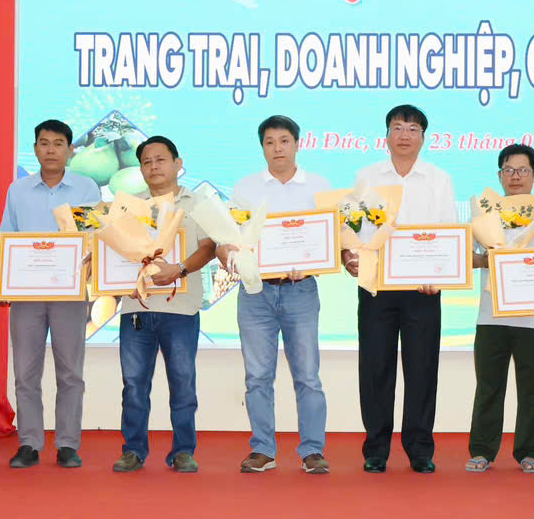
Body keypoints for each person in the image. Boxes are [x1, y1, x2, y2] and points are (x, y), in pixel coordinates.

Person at [342, 104, 457, 474]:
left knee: (422, 369)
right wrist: (348, 257)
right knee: (375, 368)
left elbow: (449, 232)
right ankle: (376, 449)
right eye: (397, 127)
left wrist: (439, 276)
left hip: (423, 290)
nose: (404, 135)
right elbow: (351, 227)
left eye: (412, 129)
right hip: (375, 286)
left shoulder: (439, 179)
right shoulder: (366, 176)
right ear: (386, 135)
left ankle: (420, 449)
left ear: (423, 137)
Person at [222, 115, 332, 474]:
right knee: (257, 376)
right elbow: (231, 236)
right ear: (262, 148)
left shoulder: (319, 186)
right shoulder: (246, 187)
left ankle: (312, 450)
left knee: (308, 376)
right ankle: (263, 449)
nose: (277, 148)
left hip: (301, 290)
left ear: (297, 144)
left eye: (284, 141)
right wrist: (231, 254)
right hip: (256, 292)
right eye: (269, 142)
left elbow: (329, 239)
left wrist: (311, 262)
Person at [0, 119, 101, 469]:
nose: (51, 150)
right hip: (26, 294)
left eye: (58, 143)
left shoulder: (86, 188)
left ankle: (68, 444)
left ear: (70, 150)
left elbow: (94, 238)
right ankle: (29, 443)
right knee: (25, 373)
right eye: (44, 143)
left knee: (70, 372)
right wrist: (6, 278)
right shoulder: (18, 190)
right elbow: (4, 240)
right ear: (35, 148)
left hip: (70, 293)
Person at [112, 136, 217, 474]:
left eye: (160, 160)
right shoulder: (128, 207)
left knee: (183, 383)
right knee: (134, 385)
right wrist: (114, 277)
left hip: (182, 309)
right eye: (146, 162)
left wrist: (180, 269)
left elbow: (209, 247)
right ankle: (133, 450)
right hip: (137, 310)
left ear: (177, 163)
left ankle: (183, 451)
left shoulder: (198, 203)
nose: (153, 167)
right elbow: (114, 252)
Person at [466, 144, 534, 474]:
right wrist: (490, 259)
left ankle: (529, 452)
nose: (515, 177)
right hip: (490, 316)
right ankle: (482, 450)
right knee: (488, 386)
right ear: (500, 176)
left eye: (523, 170)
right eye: (509, 170)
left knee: (533, 389)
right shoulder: (484, 215)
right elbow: (469, 258)